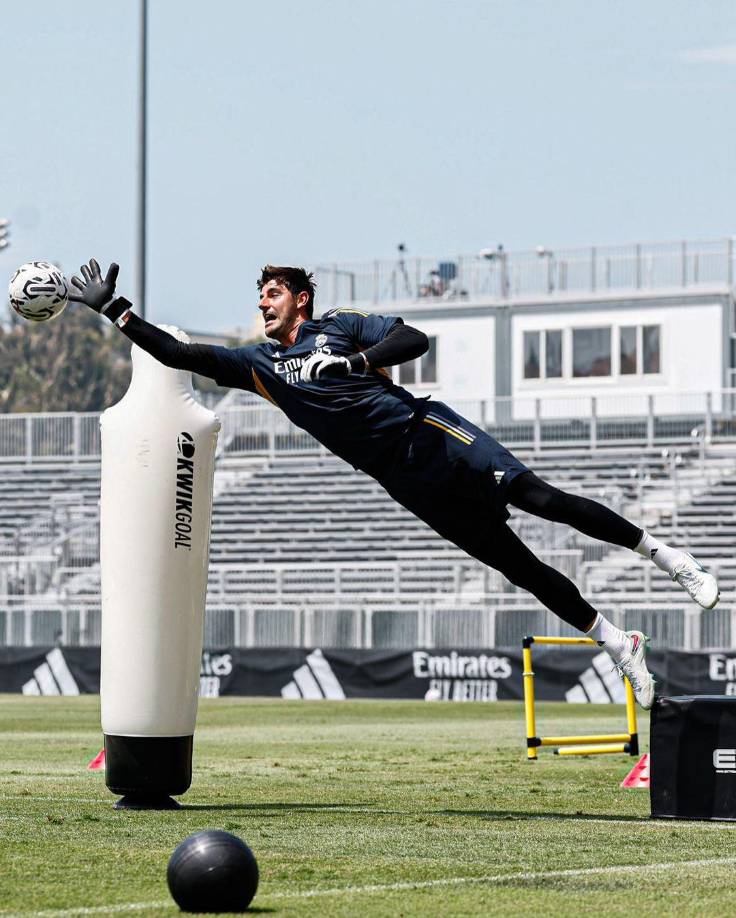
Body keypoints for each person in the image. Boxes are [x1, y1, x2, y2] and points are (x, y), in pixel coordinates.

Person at [69, 259, 720, 709]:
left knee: (541, 500)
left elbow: (415, 338)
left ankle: (671, 560)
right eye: (258, 294)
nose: (260, 303)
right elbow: (183, 356)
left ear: (299, 297)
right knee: (518, 566)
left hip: (432, 433)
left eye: (270, 292)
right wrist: (116, 312)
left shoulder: (341, 326)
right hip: (403, 478)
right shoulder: (259, 366)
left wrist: (353, 360)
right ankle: (617, 643)